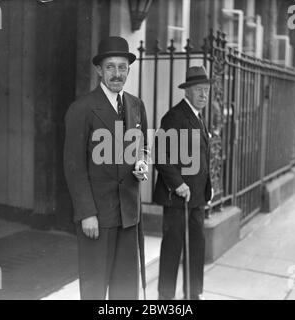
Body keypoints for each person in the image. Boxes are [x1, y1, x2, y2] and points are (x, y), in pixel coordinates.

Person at [63, 36, 149, 300]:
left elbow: (141, 147)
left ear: (128, 70)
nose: (116, 73)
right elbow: (73, 166)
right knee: (94, 289)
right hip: (98, 216)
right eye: (110, 67)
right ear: (99, 70)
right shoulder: (82, 108)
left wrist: (141, 164)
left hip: (128, 214)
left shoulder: (136, 105)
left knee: (126, 291)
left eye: (122, 67)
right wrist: (87, 213)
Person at [153, 66, 213, 300]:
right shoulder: (175, 116)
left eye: (206, 90)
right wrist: (177, 184)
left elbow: (201, 156)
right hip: (178, 198)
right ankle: (165, 299)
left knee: (196, 248)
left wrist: (208, 184)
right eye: (199, 90)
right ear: (187, 91)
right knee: (172, 249)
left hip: (197, 198)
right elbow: (159, 154)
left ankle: (193, 295)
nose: (203, 95)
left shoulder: (198, 117)